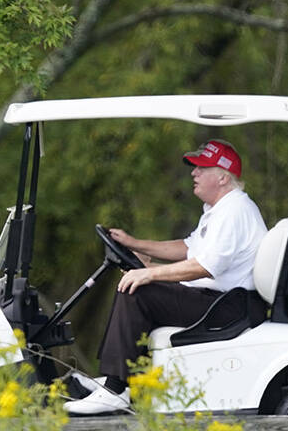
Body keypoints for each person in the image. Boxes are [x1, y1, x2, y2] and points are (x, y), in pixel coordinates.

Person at [64, 139, 267, 414]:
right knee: (138, 283)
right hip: (217, 300)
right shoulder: (218, 210)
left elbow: (204, 267)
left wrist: (150, 274)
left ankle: (116, 388)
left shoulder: (235, 211)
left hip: (228, 307)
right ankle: (119, 382)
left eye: (201, 168)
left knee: (137, 290)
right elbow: (187, 248)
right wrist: (135, 244)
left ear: (222, 177)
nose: (193, 173)